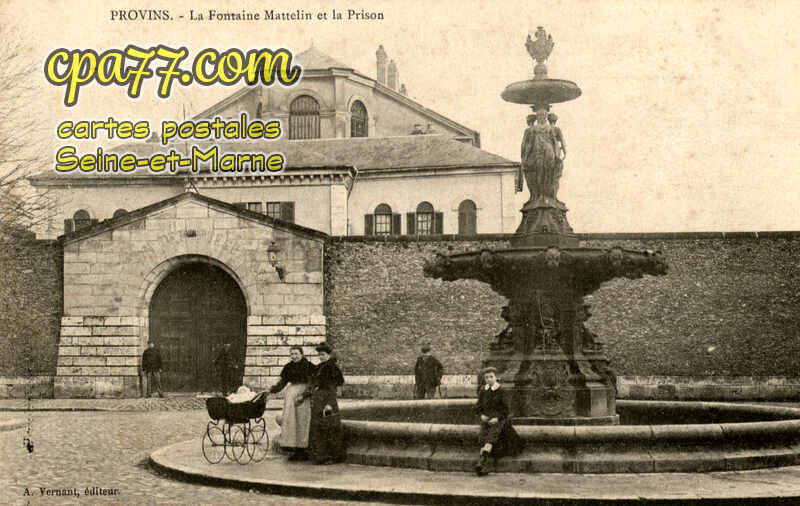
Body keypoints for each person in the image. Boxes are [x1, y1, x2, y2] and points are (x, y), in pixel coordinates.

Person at [474, 367, 525, 476]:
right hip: (486, 418)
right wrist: (481, 415)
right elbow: (478, 406)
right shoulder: (483, 390)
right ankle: (482, 464)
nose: (489, 379)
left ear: (496, 378)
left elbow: (506, 409)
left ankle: (482, 463)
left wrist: (497, 418)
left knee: (491, 437)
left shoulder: (502, 391)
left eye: (491, 377)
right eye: (486, 377)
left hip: (498, 419)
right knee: (482, 437)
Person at [300, 344, 345, 465]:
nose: (321, 357)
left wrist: (329, 404)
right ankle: (319, 455)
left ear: (329, 355)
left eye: (323, 355)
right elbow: (313, 383)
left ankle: (331, 456)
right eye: (319, 355)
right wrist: (305, 395)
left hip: (327, 399)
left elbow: (333, 387)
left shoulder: (333, 368)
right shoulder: (319, 367)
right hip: (318, 400)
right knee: (318, 427)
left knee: (329, 427)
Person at [270, 346, 316, 461]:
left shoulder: (309, 366)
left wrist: (304, 395)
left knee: (302, 421)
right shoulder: (288, 367)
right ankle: (294, 448)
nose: (294, 356)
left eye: (296, 354)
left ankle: (303, 449)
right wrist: (272, 390)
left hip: (303, 396)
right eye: (292, 354)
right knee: (291, 421)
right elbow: (282, 382)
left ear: (302, 354)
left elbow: (312, 383)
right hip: (291, 396)